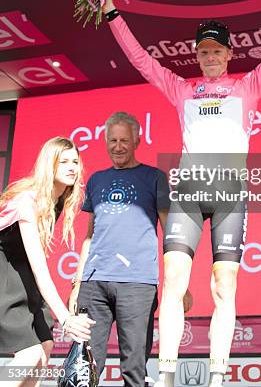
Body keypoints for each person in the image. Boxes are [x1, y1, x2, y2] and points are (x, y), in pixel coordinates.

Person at [101, 0, 261, 387]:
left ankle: (218, 377)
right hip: (187, 193)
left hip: (229, 194)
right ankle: (166, 375)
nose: (209, 56)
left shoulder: (247, 87)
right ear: (198, 55)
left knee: (224, 286)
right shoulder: (181, 88)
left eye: (216, 50)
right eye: (203, 50)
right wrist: (113, 14)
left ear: (227, 54)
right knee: (173, 281)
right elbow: (142, 60)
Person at [69, 111, 176, 387]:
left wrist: (179, 284)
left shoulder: (154, 177)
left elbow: (170, 234)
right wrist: (78, 283)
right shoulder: (95, 180)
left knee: (134, 367)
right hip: (94, 283)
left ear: (137, 141)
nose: (118, 146)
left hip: (137, 284)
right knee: (85, 364)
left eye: (124, 140)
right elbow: (90, 235)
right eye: (113, 140)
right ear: (105, 142)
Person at [0, 136, 94, 386]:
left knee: (45, 348)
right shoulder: (26, 201)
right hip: (5, 275)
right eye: (63, 162)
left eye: (75, 161)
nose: (72, 167)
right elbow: (40, 269)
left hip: (21, 273)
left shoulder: (57, 199)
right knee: (30, 354)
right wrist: (66, 319)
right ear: (48, 166)